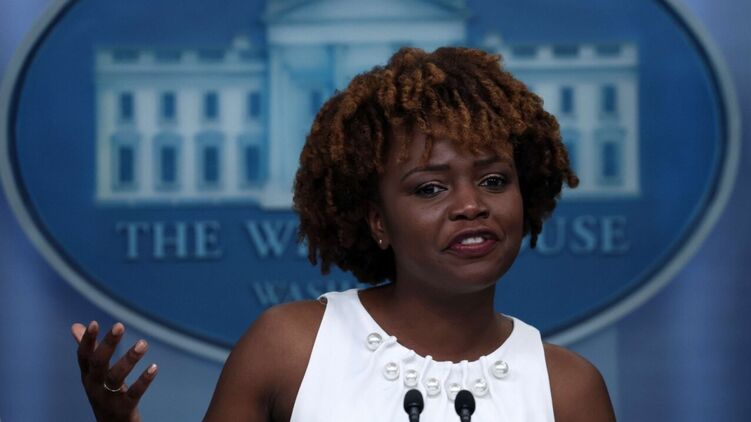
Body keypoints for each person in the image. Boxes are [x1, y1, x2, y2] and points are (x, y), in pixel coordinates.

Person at [72, 47, 615, 421]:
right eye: (430, 188)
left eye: (494, 181)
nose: (471, 205)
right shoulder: (289, 347)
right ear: (377, 221)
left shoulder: (569, 390)